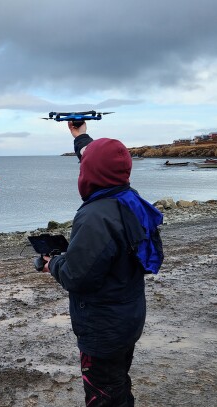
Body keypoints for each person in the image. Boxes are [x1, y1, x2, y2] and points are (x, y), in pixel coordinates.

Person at [42, 121, 164, 407]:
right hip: (127, 317)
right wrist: (81, 136)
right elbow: (98, 160)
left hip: (103, 328)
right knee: (117, 384)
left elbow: (77, 277)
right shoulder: (129, 199)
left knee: (104, 395)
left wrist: (54, 263)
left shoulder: (97, 216)